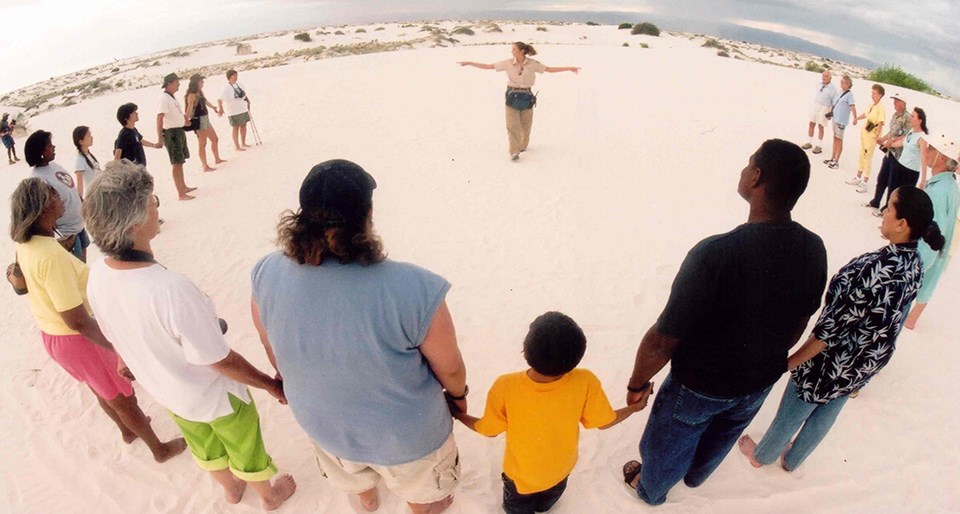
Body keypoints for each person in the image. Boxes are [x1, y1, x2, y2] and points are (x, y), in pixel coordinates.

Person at [250, 159, 466, 514]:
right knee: (429, 500)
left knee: (355, 484)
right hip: (409, 438)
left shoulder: (266, 271)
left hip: (326, 428)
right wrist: (459, 398)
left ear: (302, 217)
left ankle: (367, 503)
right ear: (367, 213)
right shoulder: (416, 288)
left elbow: (270, 343)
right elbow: (452, 369)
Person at [621, 139, 828, 506]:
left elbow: (662, 340)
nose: (744, 170)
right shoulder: (814, 248)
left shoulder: (715, 253)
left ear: (757, 177)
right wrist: (768, 361)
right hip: (759, 380)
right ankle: (696, 477)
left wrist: (637, 383)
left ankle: (651, 490)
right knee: (722, 434)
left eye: (749, 164)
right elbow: (800, 320)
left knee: (671, 440)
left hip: (700, 385)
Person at [83, 160, 296, 511]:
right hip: (215, 397)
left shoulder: (98, 274)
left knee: (204, 446)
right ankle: (268, 495)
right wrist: (271, 386)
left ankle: (230, 490)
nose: (156, 208)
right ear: (135, 223)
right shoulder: (169, 289)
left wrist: (126, 359)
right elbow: (220, 360)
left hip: (169, 393)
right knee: (244, 444)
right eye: (154, 203)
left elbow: (113, 329)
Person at [739, 185, 944, 471]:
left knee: (794, 411)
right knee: (829, 411)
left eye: (890, 207)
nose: (883, 211)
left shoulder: (875, 269)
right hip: (866, 361)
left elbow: (828, 333)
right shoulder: (915, 262)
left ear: (902, 224)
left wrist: (787, 364)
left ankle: (762, 455)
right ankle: (793, 460)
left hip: (831, 361)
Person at [9, 177, 186, 463]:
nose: (61, 198)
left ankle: (127, 432)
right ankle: (159, 449)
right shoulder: (50, 255)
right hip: (77, 338)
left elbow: (20, 281)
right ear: (42, 208)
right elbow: (76, 319)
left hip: (53, 335)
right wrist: (117, 348)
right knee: (122, 396)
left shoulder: (26, 244)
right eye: (54, 194)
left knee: (101, 388)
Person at [452, 312, 649, 514]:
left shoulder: (506, 385)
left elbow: (489, 429)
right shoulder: (585, 381)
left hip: (520, 479)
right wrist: (634, 408)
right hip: (561, 471)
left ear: (525, 351)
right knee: (546, 504)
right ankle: (543, 507)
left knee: (517, 509)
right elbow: (604, 421)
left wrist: (459, 415)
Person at [458, 42, 580, 161]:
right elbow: (489, 66)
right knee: (512, 125)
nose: (512, 51)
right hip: (512, 95)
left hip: (527, 96)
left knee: (526, 125)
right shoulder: (507, 63)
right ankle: (514, 151)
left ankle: (522, 145)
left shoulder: (533, 64)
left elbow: (549, 69)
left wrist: (569, 68)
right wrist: (470, 63)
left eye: (514, 49)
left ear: (522, 51)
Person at [904, 135, 959, 329]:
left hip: (919, 261)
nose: (927, 151)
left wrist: (913, 267)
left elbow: (932, 237)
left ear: (942, 158)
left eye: (933, 149)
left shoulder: (939, 191)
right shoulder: (948, 184)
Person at [25, 130, 89, 262]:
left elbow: (69, 187)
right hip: (67, 234)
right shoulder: (39, 179)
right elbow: (42, 212)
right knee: (76, 269)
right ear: (41, 152)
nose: (54, 147)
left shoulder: (53, 165)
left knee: (84, 267)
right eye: (49, 146)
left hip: (79, 226)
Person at [865, 93, 911, 213]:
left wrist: (891, 142)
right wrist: (883, 139)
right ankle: (876, 201)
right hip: (889, 152)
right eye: (894, 100)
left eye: (897, 100)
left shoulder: (908, 117)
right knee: (882, 178)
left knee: (892, 182)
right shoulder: (895, 115)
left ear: (903, 103)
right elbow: (892, 131)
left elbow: (906, 136)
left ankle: (887, 208)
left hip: (898, 155)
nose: (894, 103)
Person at [156, 73, 196, 201]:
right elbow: (159, 117)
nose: (179, 84)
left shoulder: (171, 97)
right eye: (176, 82)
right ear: (170, 84)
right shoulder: (164, 99)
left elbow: (177, 113)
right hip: (171, 133)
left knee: (181, 160)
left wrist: (185, 120)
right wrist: (160, 138)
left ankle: (183, 187)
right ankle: (181, 193)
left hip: (178, 131)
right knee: (176, 162)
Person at [845, 84, 886, 192]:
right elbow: (866, 114)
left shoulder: (880, 108)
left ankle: (865, 181)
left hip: (872, 135)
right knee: (861, 154)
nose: (872, 95)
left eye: (874, 93)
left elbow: (881, 122)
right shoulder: (872, 105)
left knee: (868, 157)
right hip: (865, 132)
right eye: (872, 93)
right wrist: (857, 118)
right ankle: (858, 177)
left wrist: (878, 136)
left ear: (880, 95)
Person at [884, 107, 929, 199]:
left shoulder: (922, 138)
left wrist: (923, 180)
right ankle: (887, 210)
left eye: (913, 116)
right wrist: (888, 144)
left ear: (920, 120)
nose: (909, 118)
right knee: (892, 193)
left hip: (910, 172)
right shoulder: (911, 132)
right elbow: (901, 143)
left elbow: (924, 159)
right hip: (899, 166)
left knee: (903, 198)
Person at [184, 74, 226, 172]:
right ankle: (205, 166)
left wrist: (213, 107)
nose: (203, 83)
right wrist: (186, 119)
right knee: (202, 144)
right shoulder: (191, 95)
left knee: (214, 139)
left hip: (205, 119)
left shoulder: (199, 92)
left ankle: (217, 159)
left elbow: (205, 101)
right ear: (197, 83)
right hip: (199, 120)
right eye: (201, 81)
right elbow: (189, 109)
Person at [823, 74, 857, 169]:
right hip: (835, 118)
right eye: (841, 82)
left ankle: (836, 160)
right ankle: (832, 157)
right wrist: (830, 113)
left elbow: (852, 106)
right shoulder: (839, 92)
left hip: (842, 121)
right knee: (835, 138)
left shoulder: (849, 95)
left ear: (848, 84)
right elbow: (835, 104)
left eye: (843, 82)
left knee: (839, 139)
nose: (841, 84)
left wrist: (855, 117)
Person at [801, 71, 837, 155]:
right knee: (811, 123)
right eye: (823, 75)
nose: (824, 77)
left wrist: (830, 113)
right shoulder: (819, 84)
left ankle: (819, 145)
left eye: (826, 76)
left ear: (830, 78)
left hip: (824, 107)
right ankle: (809, 142)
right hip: (815, 105)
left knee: (821, 126)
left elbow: (834, 103)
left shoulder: (833, 89)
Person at [218, 69, 252, 151]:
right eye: (234, 75)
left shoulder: (240, 84)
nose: (236, 77)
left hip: (242, 108)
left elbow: (244, 94)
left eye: (236, 75)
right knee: (235, 128)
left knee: (244, 126)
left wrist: (248, 101)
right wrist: (221, 108)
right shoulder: (226, 88)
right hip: (233, 111)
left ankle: (243, 143)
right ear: (229, 77)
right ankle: (237, 146)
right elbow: (220, 99)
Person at [72, 126, 101, 199]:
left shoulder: (90, 156)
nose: (92, 137)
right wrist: (80, 202)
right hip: (93, 198)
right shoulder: (79, 160)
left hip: (101, 194)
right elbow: (80, 185)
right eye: (88, 135)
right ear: (81, 141)